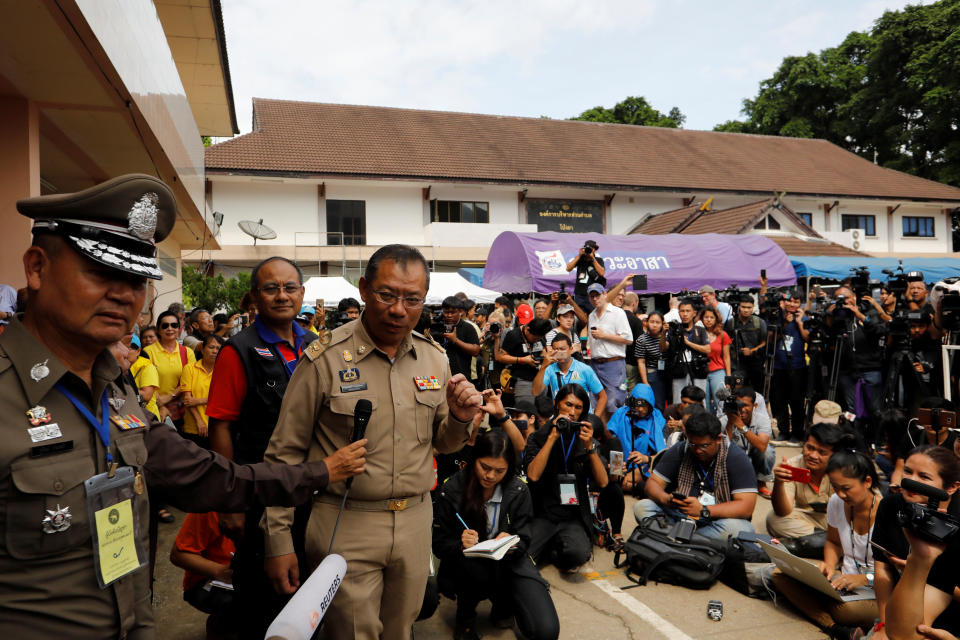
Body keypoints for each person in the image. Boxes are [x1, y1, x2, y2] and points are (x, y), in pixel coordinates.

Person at [1, 173, 366, 638]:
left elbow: (207, 476)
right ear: (37, 267)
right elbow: (223, 427)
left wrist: (321, 472)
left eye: (137, 279)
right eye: (102, 272)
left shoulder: (113, 390)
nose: (124, 294)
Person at [261, 244, 483, 640]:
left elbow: (443, 444)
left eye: (412, 299)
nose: (399, 309)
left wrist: (462, 419)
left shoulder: (435, 358)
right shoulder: (324, 358)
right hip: (346, 520)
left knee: (401, 630)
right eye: (386, 295)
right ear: (364, 289)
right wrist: (278, 539)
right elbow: (284, 454)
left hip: (415, 521)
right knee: (350, 633)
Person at [205, 256, 318, 638]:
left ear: (302, 293)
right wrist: (230, 501)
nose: (282, 296)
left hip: (314, 489)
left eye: (290, 288)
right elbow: (220, 426)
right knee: (263, 596)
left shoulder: (317, 345)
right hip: (259, 492)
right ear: (255, 296)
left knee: (312, 592)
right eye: (271, 288)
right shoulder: (238, 351)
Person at [433, 430, 559, 640]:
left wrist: (512, 543)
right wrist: (460, 545)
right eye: (485, 467)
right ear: (474, 460)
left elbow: (525, 536)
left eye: (499, 471)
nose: (490, 476)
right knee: (476, 571)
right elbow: (438, 543)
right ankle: (466, 618)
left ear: (509, 468)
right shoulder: (452, 489)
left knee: (545, 631)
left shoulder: (518, 490)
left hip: (509, 562)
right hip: (466, 567)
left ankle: (503, 606)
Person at [771, 449, 881, 640]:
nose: (840, 494)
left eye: (846, 488)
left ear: (868, 482)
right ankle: (836, 628)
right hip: (843, 582)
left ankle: (831, 623)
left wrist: (864, 579)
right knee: (780, 574)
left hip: (876, 590)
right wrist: (829, 566)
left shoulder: (886, 513)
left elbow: (897, 573)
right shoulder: (836, 502)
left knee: (844, 610)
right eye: (835, 487)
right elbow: (832, 541)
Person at [873, 446, 960, 640]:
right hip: (903, 608)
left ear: (952, 487)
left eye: (924, 477)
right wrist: (883, 623)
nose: (912, 481)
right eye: (907, 471)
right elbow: (882, 570)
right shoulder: (892, 506)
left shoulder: (955, 527)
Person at [524, 384, 608, 572]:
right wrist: (553, 437)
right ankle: (549, 544)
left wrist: (590, 449)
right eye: (568, 405)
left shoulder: (585, 438)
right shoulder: (539, 436)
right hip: (544, 513)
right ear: (556, 404)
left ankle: (554, 549)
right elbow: (533, 475)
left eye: (578, 408)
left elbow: (603, 482)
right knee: (524, 557)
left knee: (577, 555)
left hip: (572, 515)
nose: (572, 412)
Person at [635, 412, 757, 540]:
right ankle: (691, 542)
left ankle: (677, 540)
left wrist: (704, 510)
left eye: (704, 445)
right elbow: (652, 483)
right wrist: (666, 499)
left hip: (715, 520)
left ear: (718, 439)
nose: (698, 450)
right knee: (643, 507)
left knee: (742, 529)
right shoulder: (681, 449)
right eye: (693, 444)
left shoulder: (736, 458)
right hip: (681, 515)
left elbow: (746, 507)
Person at [767, 423, 846, 556]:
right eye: (809, 448)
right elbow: (784, 511)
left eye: (822, 452)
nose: (813, 456)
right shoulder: (792, 465)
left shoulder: (844, 469)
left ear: (834, 455)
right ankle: (828, 543)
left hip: (840, 521)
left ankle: (813, 543)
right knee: (773, 519)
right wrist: (779, 483)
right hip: (809, 521)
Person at [170, 511, 239, 639]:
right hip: (209, 580)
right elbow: (178, 555)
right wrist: (219, 571)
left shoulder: (275, 508)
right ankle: (219, 628)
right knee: (237, 605)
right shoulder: (213, 506)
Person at [606, 383, 667, 513]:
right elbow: (609, 440)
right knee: (614, 480)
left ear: (650, 405)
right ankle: (640, 488)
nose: (640, 409)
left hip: (644, 464)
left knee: (622, 483)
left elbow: (663, 454)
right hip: (620, 460)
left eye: (644, 406)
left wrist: (645, 458)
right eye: (637, 405)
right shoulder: (621, 414)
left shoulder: (658, 419)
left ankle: (635, 486)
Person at [586, 283, 633, 421]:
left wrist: (604, 335)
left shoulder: (618, 313)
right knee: (595, 403)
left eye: (598, 295)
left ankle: (614, 438)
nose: (595, 299)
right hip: (595, 364)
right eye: (592, 296)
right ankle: (601, 438)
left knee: (614, 403)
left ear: (605, 295)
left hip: (614, 363)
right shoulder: (591, 315)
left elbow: (629, 339)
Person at [889, 398, 959, 489]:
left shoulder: (957, 441)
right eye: (928, 417)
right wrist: (896, 485)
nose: (933, 422)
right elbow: (900, 468)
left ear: (950, 418)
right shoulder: (912, 437)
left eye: (940, 418)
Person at [770, 290, 809, 444]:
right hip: (778, 366)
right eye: (790, 301)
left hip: (797, 366)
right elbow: (771, 339)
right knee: (779, 401)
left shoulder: (803, 318)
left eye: (796, 301)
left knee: (797, 401)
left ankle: (798, 433)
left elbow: (807, 337)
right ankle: (783, 431)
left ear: (800, 303)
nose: (792, 304)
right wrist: (784, 323)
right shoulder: (777, 317)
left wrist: (799, 322)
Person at [532, 333, 606, 413]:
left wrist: (593, 420)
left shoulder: (584, 369)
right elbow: (536, 392)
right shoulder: (549, 369)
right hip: (561, 419)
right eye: (556, 349)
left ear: (571, 349)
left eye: (562, 349)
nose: (559, 352)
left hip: (583, 419)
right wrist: (543, 366)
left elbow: (603, 397)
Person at [145, 308, 196, 425]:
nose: (170, 329)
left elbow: (190, 381)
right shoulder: (148, 352)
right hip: (155, 410)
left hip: (182, 412)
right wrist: (160, 403)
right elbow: (146, 382)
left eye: (174, 325)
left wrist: (170, 396)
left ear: (179, 328)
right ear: (158, 329)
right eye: (165, 326)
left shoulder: (187, 352)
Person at [662, 299, 710, 404]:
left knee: (700, 400)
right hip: (679, 369)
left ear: (694, 313)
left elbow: (708, 349)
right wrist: (663, 333)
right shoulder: (674, 329)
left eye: (688, 311)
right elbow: (663, 348)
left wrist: (688, 343)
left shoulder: (700, 329)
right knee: (678, 401)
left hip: (698, 369)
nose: (685, 314)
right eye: (682, 311)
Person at [180, 334, 223, 449]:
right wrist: (200, 422)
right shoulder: (190, 368)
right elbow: (187, 400)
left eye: (218, 348)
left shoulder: (223, 372)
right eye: (211, 347)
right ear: (203, 350)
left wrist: (198, 400)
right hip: (193, 427)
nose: (215, 351)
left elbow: (223, 400)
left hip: (217, 428)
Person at [497, 316, 551, 406]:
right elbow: (501, 357)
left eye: (539, 339)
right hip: (522, 380)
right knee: (526, 410)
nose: (537, 340)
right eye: (534, 339)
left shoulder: (539, 332)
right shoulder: (513, 335)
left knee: (541, 410)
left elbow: (543, 350)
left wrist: (543, 357)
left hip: (540, 378)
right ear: (527, 330)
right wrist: (522, 360)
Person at [724, 295, 767, 392]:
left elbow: (765, 342)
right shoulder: (731, 323)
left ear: (753, 307)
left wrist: (752, 351)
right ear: (739, 306)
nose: (746, 310)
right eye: (743, 307)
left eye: (749, 307)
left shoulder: (759, 322)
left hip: (756, 365)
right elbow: (725, 343)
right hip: (736, 365)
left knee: (757, 395)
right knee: (737, 395)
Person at [440, 296, 481, 380]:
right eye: (446, 312)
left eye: (453, 312)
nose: (449, 315)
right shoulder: (438, 326)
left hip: (461, 377)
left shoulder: (467, 327)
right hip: (440, 376)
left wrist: (455, 340)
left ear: (460, 312)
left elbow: (476, 350)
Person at [701, 307, 732, 414]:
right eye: (706, 317)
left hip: (718, 370)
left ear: (716, 319)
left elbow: (727, 357)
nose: (708, 320)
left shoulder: (722, 334)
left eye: (711, 317)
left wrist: (728, 378)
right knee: (704, 403)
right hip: (701, 372)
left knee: (721, 401)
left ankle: (723, 427)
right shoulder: (697, 333)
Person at [635, 311, 667, 411]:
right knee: (656, 403)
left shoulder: (667, 336)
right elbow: (641, 362)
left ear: (662, 324)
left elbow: (664, 349)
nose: (654, 325)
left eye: (658, 322)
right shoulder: (642, 339)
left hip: (668, 372)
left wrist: (664, 334)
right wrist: (645, 382)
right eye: (652, 321)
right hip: (652, 372)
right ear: (646, 323)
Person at [566, 239, 605, 313]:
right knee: (579, 315)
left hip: (592, 295)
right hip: (579, 294)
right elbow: (568, 268)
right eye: (587, 248)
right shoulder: (580, 259)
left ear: (594, 250)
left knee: (593, 315)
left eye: (591, 248)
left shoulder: (598, 260)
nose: (589, 250)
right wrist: (579, 255)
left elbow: (602, 273)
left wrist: (592, 259)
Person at [128, 333, 161, 420]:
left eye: (129, 348)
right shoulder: (121, 367)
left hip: (147, 417)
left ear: (138, 351)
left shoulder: (148, 367)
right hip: (130, 416)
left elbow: (146, 395)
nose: (125, 351)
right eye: (123, 347)